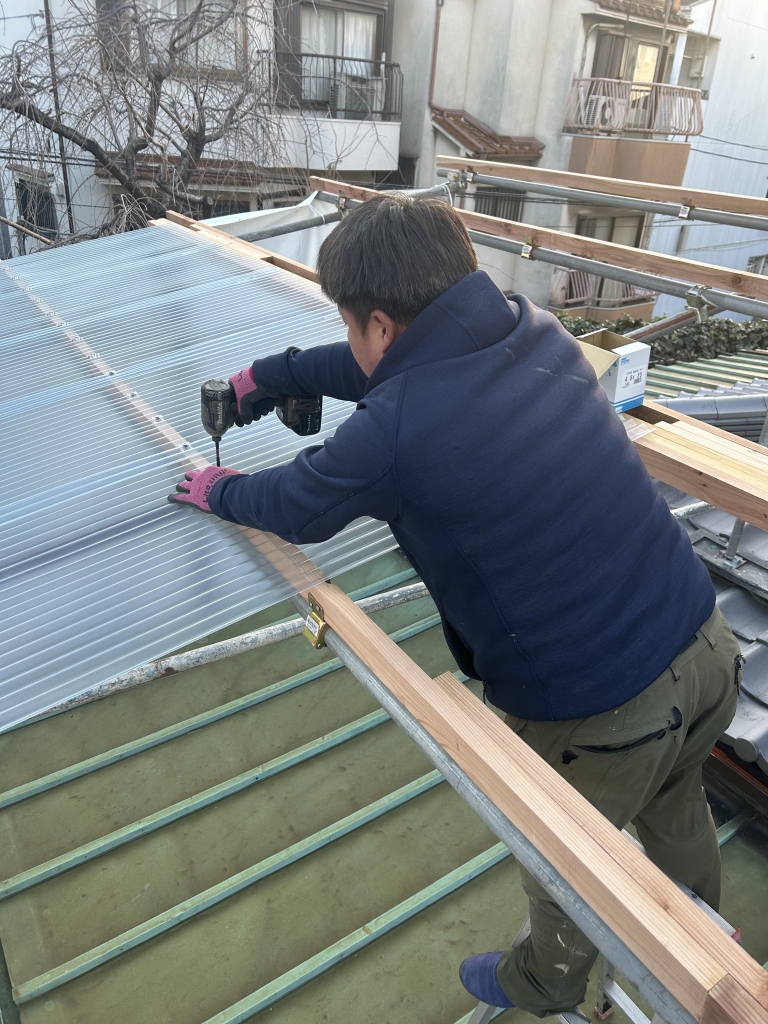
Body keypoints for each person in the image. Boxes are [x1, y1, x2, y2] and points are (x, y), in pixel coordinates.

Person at [169, 193, 742, 1017]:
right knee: (674, 796)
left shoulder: (397, 430)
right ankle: (709, 928)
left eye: (352, 325)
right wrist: (276, 375)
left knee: (563, 858)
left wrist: (218, 488)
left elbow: (297, 504)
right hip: (705, 641)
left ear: (380, 325)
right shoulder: (534, 331)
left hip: (604, 711)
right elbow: (387, 369)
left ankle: (544, 980)